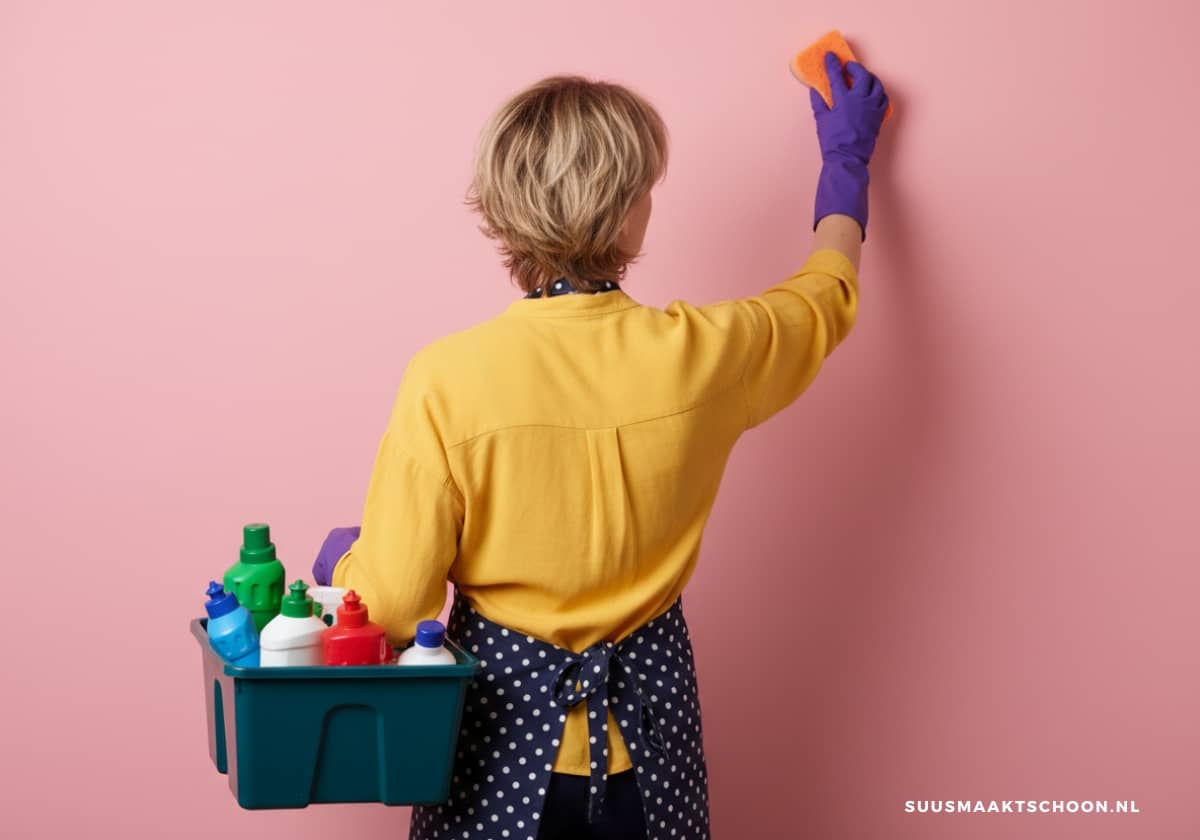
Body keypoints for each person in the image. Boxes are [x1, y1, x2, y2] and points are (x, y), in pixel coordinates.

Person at [314, 51, 889, 840]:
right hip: (652, 755)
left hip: (499, 759)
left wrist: (345, 563)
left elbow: (388, 609)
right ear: (627, 214)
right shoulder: (706, 355)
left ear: (498, 207)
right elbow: (827, 296)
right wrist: (845, 165)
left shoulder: (446, 380)